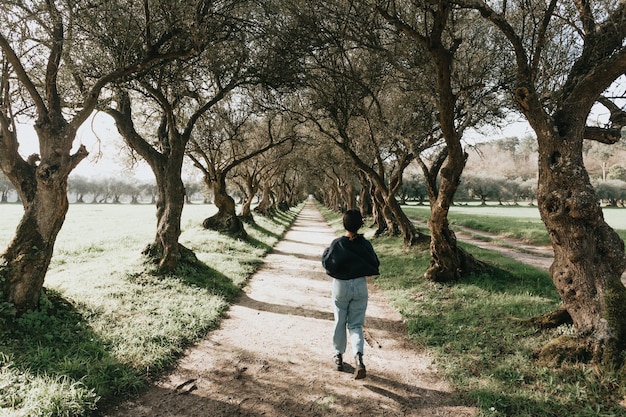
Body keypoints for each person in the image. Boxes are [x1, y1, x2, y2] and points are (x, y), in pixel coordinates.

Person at [322, 209, 380, 380]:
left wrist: (326, 251)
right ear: (360, 225)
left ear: (344, 224)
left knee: (340, 321)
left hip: (341, 286)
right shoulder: (365, 244)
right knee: (355, 325)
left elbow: (327, 263)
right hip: (360, 286)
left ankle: (338, 356)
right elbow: (375, 263)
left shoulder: (337, 243)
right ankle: (359, 358)